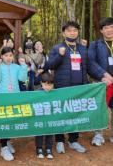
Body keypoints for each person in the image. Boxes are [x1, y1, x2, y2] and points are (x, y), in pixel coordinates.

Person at [45, 21, 88, 154]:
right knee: (61, 112)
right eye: (69, 30)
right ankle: (59, 141)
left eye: (75, 30)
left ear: (78, 32)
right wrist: (60, 55)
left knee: (76, 113)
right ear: (64, 33)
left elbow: (87, 66)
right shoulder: (57, 47)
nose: (72, 33)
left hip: (79, 87)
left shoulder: (82, 48)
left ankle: (73, 140)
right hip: (62, 87)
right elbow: (49, 65)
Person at [0, 47, 27, 161]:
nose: (8, 58)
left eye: (10, 55)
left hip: (14, 98)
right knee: (4, 121)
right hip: (2, 98)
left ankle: (7, 141)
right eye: (6, 55)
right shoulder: (0, 67)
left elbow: (22, 78)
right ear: (2, 56)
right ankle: (3, 147)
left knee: (11, 120)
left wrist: (23, 66)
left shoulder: (16, 67)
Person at [88, 17, 113, 145]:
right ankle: (98, 135)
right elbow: (90, 62)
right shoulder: (95, 44)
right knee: (100, 109)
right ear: (102, 31)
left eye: (111, 27)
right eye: (106, 28)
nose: (109, 30)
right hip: (102, 82)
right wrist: (103, 74)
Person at [35, 72, 54, 159]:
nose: (48, 87)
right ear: (41, 83)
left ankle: (48, 149)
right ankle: (39, 148)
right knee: (39, 134)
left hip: (50, 118)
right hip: (40, 119)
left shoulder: (55, 93)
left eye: (50, 85)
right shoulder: (36, 93)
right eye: (46, 85)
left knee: (50, 133)